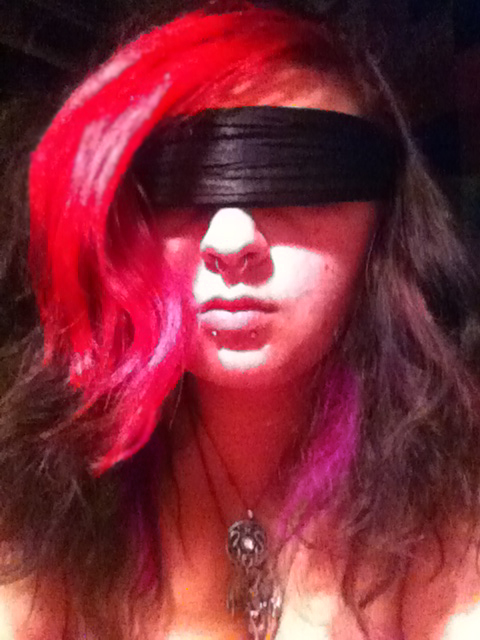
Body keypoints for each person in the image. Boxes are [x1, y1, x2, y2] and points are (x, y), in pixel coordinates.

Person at [0, 1, 479, 638]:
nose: (230, 241)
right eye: (179, 184)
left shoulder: (451, 480)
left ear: (383, 223)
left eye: (297, 178)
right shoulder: (48, 476)